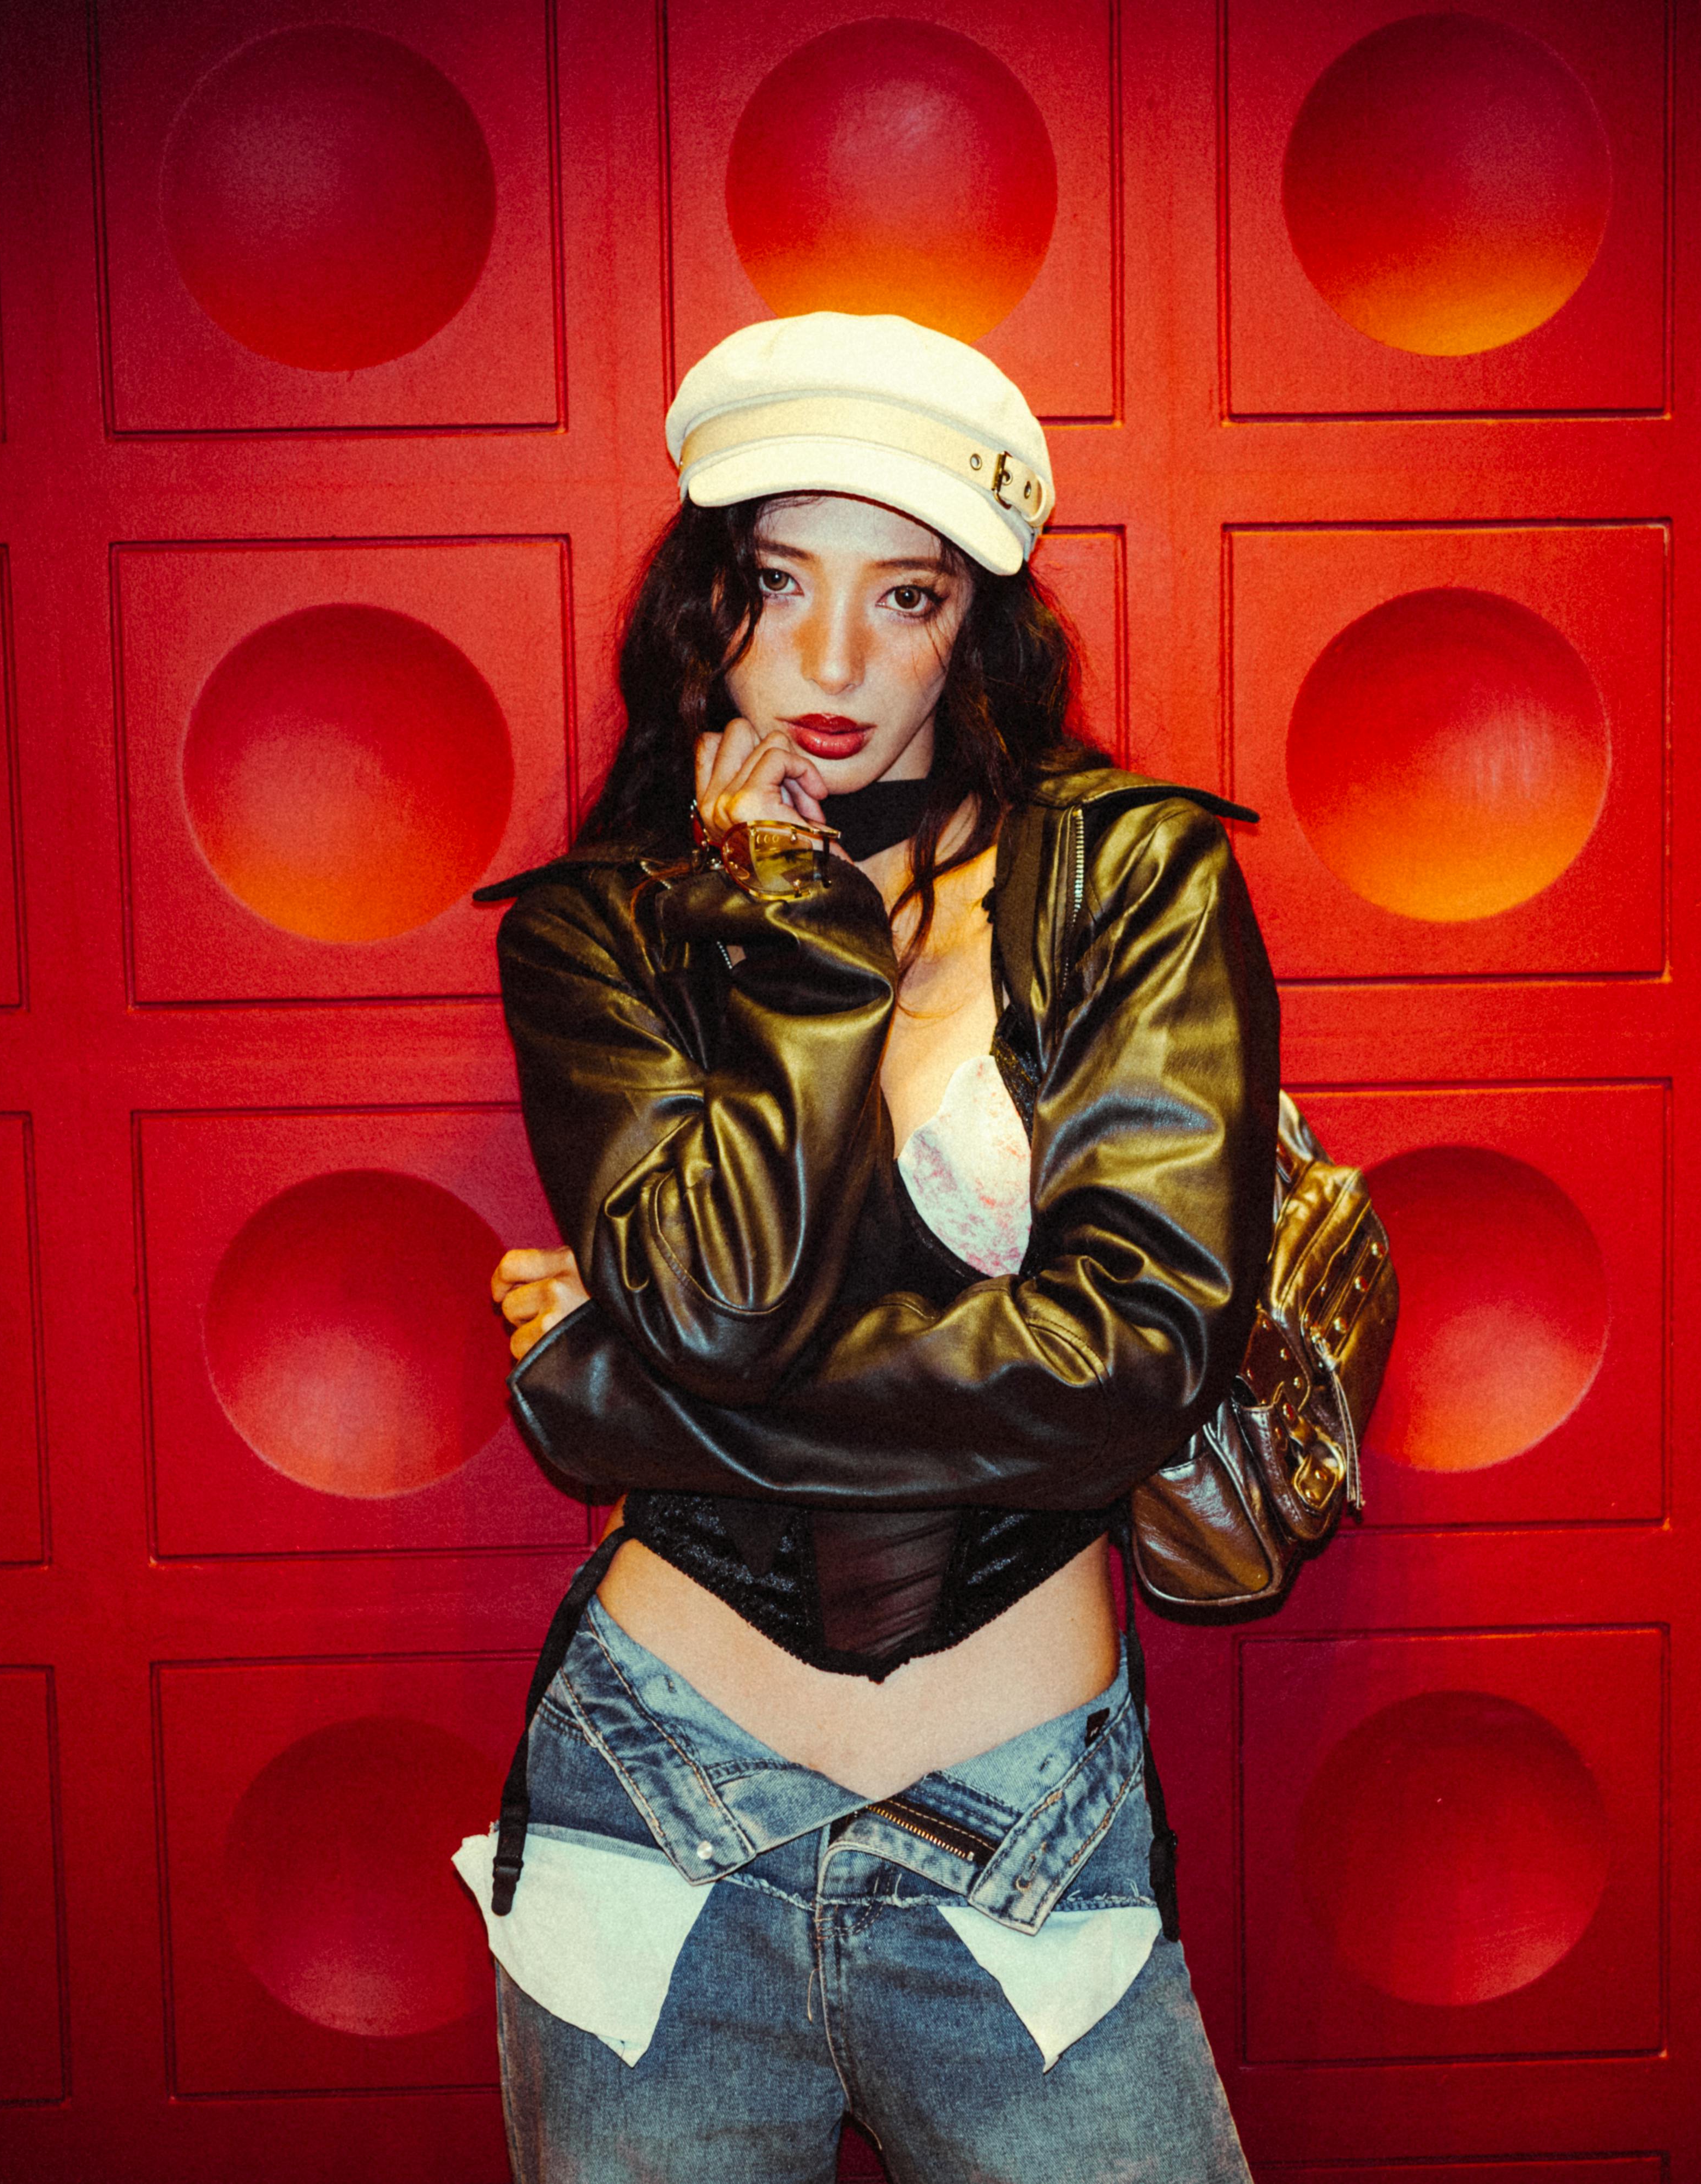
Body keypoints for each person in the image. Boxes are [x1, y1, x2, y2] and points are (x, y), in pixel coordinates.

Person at [462, 309, 1274, 2183]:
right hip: (648, 1807)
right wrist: (804, 944)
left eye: (903, 599)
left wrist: (619, 1394)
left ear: (975, 618)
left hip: (1021, 1818)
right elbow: (722, 1290)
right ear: (703, 601)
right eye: (775, 583)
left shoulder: (1126, 875)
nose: (829, 661)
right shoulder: (598, 929)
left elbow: (1136, 1364)